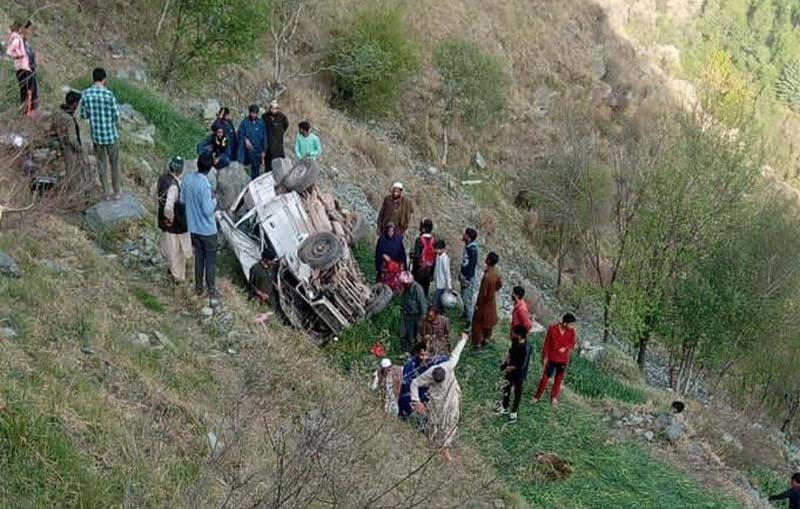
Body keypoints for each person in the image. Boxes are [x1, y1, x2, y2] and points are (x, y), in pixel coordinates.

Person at [410, 332, 469, 463]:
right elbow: (414, 383)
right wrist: (416, 401)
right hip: (437, 400)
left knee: (451, 421)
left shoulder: (449, 366)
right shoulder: (429, 375)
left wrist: (463, 339)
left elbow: (456, 353)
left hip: (451, 396)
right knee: (434, 421)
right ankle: (431, 441)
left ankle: (445, 447)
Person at [80, 68, 122, 200]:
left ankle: (106, 192)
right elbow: (116, 116)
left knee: (101, 164)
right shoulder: (109, 95)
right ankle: (117, 192)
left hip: (97, 136)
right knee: (114, 164)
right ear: (104, 79)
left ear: (93, 79)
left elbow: (84, 115)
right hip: (111, 135)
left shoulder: (86, 94)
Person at [183, 152, 218, 297]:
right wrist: (215, 200)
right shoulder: (204, 184)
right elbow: (208, 210)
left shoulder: (187, 179)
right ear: (210, 167)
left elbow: (182, 199)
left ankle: (198, 287)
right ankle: (211, 289)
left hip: (193, 228)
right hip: (208, 230)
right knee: (210, 261)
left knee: (199, 258)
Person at [157, 157, 192, 284]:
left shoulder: (163, 178)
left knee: (169, 249)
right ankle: (177, 279)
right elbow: (168, 207)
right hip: (174, 224)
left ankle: (172, 273)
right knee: (176, 252)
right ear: (180, 170)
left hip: (165, 223)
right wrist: (170, 218)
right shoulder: (174, 186)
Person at [533, 313, 578, 406]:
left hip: (563, 359)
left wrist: (565, 348)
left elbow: (572, 343)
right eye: (571, 324)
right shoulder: (552, 329)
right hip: (552, 358)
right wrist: (544, 357)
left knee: (559, 379)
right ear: (565, 323)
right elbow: (546, 344)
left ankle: (554, 397)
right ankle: (537, 396)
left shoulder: (572, 332)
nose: (572, 327)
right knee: (545, 378)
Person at [52, 91, 89, 197]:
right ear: (75, 104)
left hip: (60, 145)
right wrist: (80, 148)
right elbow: (72, 139)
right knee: (74, 175)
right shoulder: (69, 119)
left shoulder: (58, 113)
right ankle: (74, 198)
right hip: (69, 150)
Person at [398, 342, 447, 419]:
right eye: (422, 355)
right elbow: (408, 385)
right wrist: (417, 402)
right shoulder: (410, 366)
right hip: (411, 397)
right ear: (417, 354)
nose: (424, 358)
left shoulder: (431, 362)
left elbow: (445, 360)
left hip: (426, 396)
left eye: (427, 355)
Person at [497, 325, 532, 423]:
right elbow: (510, 353)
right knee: (506, 387)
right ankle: (505, 406)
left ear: (520, 335)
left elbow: (522, 364)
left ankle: (514, 412)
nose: (512, 334)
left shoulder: (526, 348)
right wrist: (505, 364)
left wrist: (511, 367)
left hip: (519, 373)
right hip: (510, 370)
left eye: (514, 333)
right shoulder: (515, 341)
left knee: (517, 392)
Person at [471, 252, 503, 350]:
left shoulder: (487, 276)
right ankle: (486, 340)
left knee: (477, 324)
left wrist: (477, 304)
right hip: (492, 302)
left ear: (488, 261)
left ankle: (477, 345)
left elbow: (482, 293)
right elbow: (499, 285)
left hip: (484, 304)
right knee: (489, 323)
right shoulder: (497, 273)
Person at [5, 20, 33, 115]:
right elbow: (9, 51)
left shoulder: (16, 37)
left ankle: (25, 110)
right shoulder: (17, 38)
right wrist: (19, 55)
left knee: (25, 90)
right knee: (27, 90)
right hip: (23, 67)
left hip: (22, 67)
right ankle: (26, 111)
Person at [399, 271, 427, 353]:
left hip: (416, 316)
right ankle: (409, 349)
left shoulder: (418, 290)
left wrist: (422, 320)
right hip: (407, 315)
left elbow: (423, 306)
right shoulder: (404, 288)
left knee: (416, 335)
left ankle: (416, 351)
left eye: (404, 283)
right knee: (408, 334)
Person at [237, 104, 267, 179]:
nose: (253, 115)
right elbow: (240, 134)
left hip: (258, 150)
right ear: (249, 113)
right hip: (248, 150)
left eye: (255, 113)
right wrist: (245, 140)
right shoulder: (244, 122)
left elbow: (264, 137)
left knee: (257, 170)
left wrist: (264, 149)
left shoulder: (261, 123)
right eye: (252, 113)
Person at [374, 222, 407, 292]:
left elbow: (402, 254)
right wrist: (382, 256)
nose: (390, 233)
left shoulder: (398, 240)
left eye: (392, 231)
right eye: (389, 231)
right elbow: (378, 252)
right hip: (383, 266)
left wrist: (403, 266)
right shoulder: (382, 239)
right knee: (381, 282)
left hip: (394, 266)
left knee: (392, 282)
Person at [459, 228, 479, 329]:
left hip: (468, 278)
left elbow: (472, 266)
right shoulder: (467, 247)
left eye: (465, 234)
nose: (463, 235)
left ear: (469, 238)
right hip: (464, 275)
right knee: (463, 296)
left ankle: (470, 322)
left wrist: (467, 279)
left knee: (467, 299)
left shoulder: (473, 250)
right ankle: (465, 314)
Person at [410, 218, 436, 296]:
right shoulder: (434, 241)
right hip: (428, 271)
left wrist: (413, 272)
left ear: (423, 228)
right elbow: (435, 259)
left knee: (416, 291)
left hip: (419, 271)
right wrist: (432, 274)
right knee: (425, 291)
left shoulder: (419, 240)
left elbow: (417, 257)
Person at [22, 20, 38, 113]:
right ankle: (26, 112)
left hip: (31, 70)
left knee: (32, 92)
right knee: (27, 92)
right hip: (25, 71)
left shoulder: (27, 44)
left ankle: (30, 111)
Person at [432, 239, 452, 312]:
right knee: (439, 303)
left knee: (435, 302)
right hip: (438, 282)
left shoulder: (445, 259)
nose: (436, 250)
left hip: (442, 284)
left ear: (443, 249)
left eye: (438, 249)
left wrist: (449, 286)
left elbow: (447, 273)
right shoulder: (438, 256)